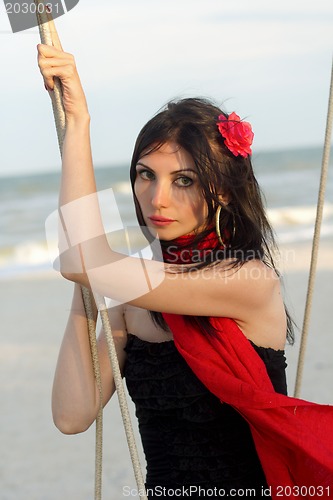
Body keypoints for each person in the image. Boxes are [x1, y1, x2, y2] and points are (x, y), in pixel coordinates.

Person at [37, 40, 333, 500]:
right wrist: (92, 288)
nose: (157, 198)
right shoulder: (132, 294)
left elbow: (81, 259)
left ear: (226, 192)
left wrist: (79, 123)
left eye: (185, 181)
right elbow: (71, 416)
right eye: (145, 174)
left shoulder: (247, 281)